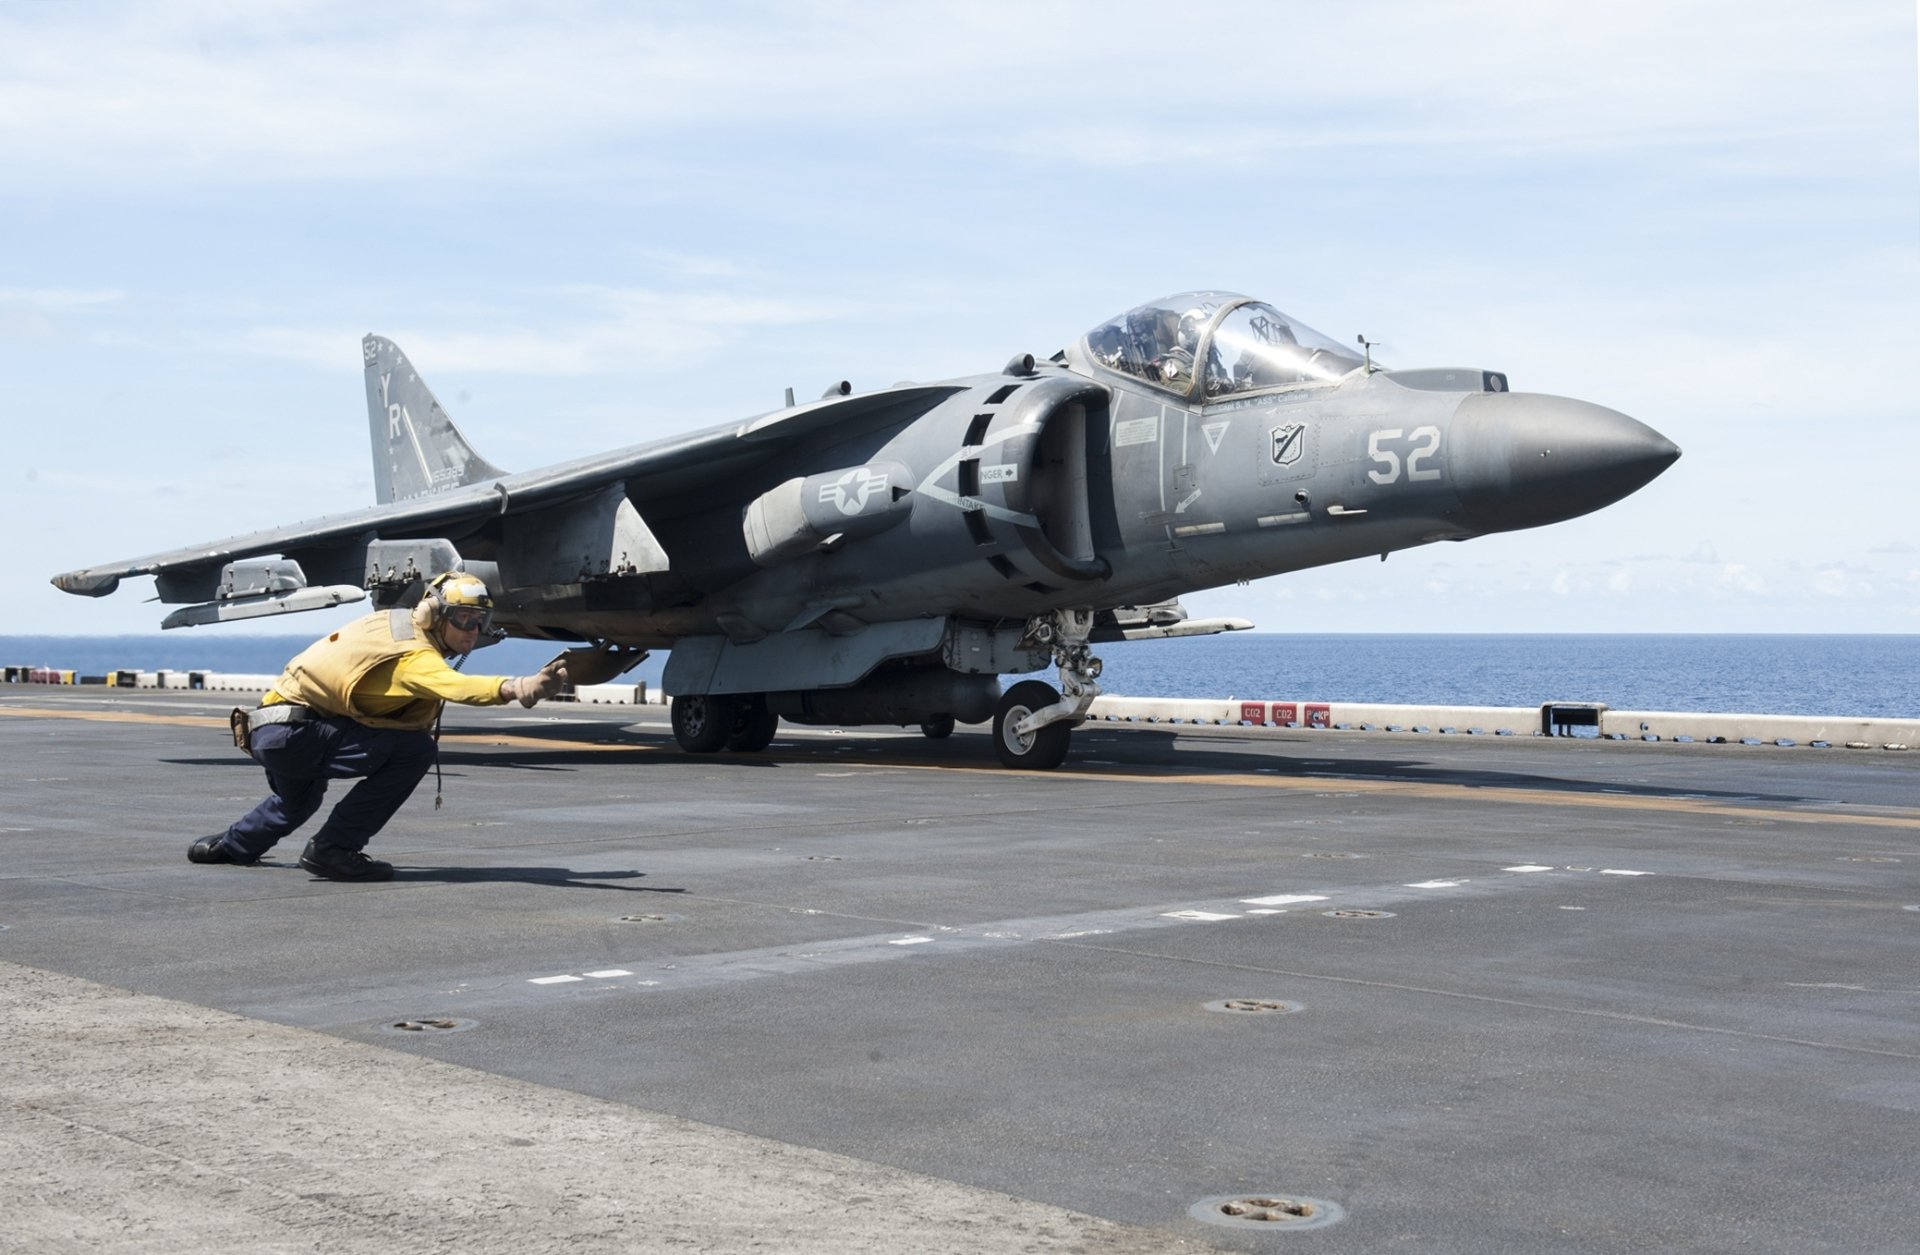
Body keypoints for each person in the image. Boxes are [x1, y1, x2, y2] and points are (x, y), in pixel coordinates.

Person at [188, 572, 567, 882]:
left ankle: (234, 847)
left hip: (272, 731)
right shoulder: (413, 657)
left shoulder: (391, 624)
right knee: (413, 752)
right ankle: (334, 849)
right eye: (463, 619)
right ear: (435, 615)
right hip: (294, 734)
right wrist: (519, 687)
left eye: (480, 622)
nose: (472, 631)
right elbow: (455, 686)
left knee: (299, 799)